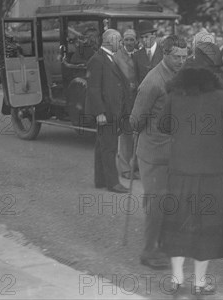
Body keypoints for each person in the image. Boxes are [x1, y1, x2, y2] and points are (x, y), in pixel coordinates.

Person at [157, 42, 223, 298]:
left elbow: (164, 125)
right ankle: (200, 284)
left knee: (178, 223)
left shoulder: (175, 93)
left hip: (180, 168)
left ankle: (177, 280)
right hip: (211, 171)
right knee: (207, 227)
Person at [130, 35, 188, 270]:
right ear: (165, 54)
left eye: (185, 57)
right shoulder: (153, 81)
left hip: (175, 153)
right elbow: (135, 121)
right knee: (156, 204)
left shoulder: (180, 75)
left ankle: (164, 245)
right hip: (154, 153)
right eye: (177, 57)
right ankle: (149, 251)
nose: (182, 61)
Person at [85, 29, 130, 193]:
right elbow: (93, 89)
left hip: (113, 110)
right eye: (119, 40)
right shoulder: (97, 60)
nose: (121, 43)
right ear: (110, 40)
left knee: (102, 145)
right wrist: (99, 113)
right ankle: (112, 183)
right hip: (106, 112)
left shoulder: (110, 58)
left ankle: (101, 180)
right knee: (109, 147)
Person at [112, 29, 139, 180]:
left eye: (132, 40)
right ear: (122, 41)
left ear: (136, 41)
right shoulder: (117, 57)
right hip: (124, 101)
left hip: (137, 100)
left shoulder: (138, 55)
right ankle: (124, 168)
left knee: (137, 136)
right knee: (125, 136)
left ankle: (134, 166)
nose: (129, 42)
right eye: (127, 39)